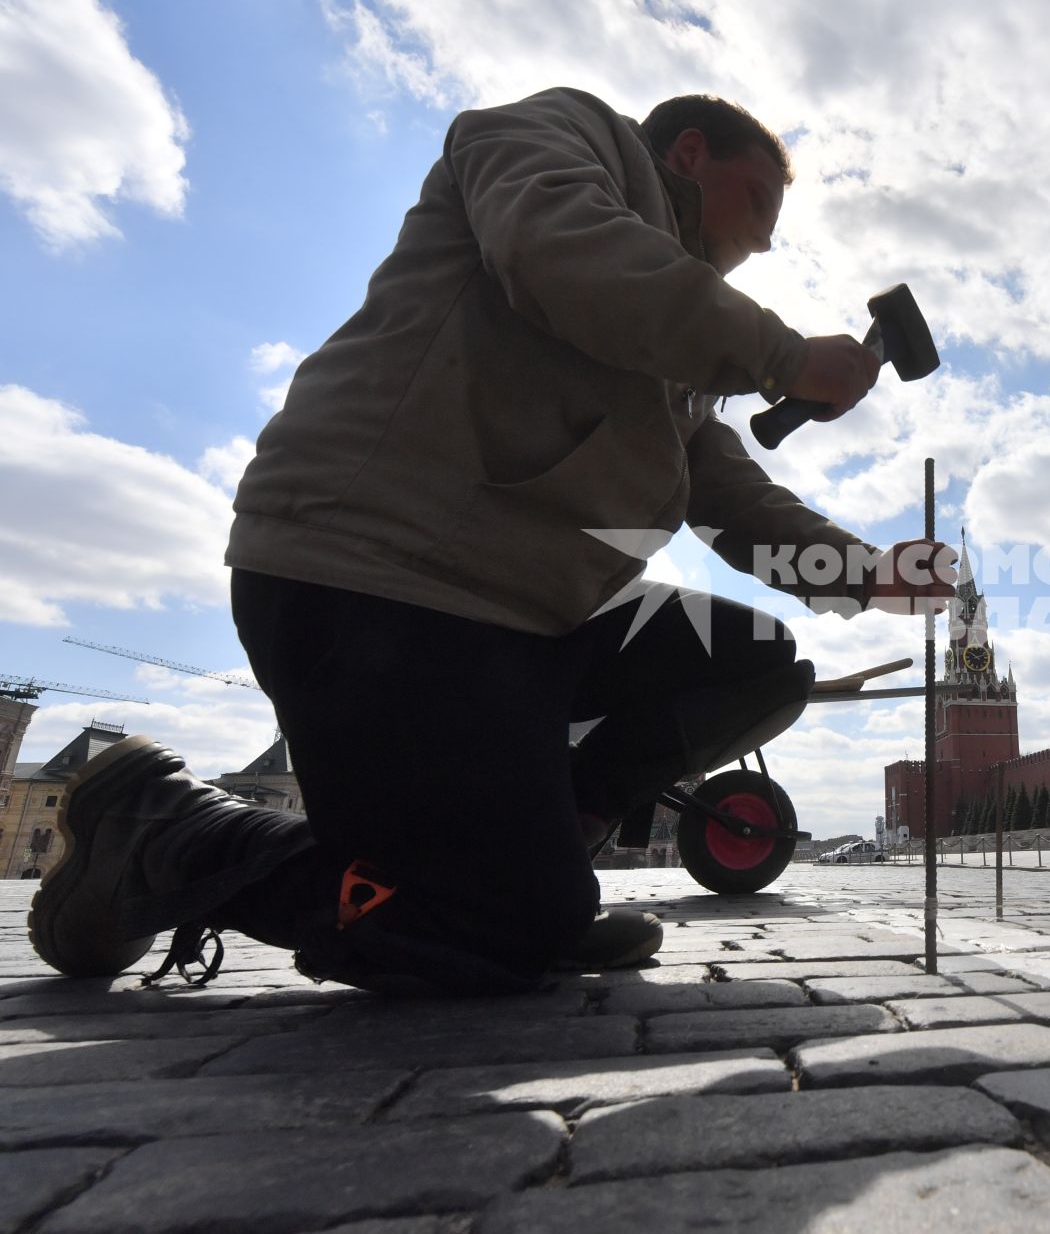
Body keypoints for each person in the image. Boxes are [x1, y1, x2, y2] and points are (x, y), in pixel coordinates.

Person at [30, 87, 953, 995]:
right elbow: (561, 255)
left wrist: (867, 574)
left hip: (522, 622)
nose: (764, 240)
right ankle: (167, 828)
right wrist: (787, 358)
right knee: (490, 933)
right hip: (377, 590)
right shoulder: (556, 140)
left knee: (754, 662)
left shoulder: (678, 343)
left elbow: (728, 495)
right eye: (758, 204)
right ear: (689, 153)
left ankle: (546, 833)